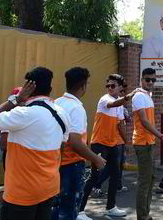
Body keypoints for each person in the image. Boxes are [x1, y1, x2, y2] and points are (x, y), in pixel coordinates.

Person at [0, 67, 70, 220]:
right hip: (49, 188)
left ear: (28, 88)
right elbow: (60, 151)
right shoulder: (62, 114)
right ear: (50, 88)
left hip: (21, 194)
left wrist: (16, 99)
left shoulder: (22, 114)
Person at [79, 74, 138, 218]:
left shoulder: (119, 104)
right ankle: (79, 210)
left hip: (113, 144)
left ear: (120, 87)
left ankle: (110, 207)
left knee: (116, 175)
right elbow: (113, 104)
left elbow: (120, 126)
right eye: (108, 86)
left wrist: (126, 142)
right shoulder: (105, 99)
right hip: (99, 143)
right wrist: (129, 96)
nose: (110, 88)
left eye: (113, 86)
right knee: (94, 177)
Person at [52, 67, 106, 220]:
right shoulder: (76, 108)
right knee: (68, 211)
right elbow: (75, 142)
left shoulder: (57, 102)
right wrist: (96, 159)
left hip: (56, 164)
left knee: (56, 209)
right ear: (83, 85)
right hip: (71, 166)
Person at [132, 68, 163, 220]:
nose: (150, 82)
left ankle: (145, 214)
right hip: (142, 143)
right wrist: (162, 137)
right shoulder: (139, 97)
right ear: (141, 80)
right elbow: (144, 121)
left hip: (149, 142)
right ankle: (142, 216)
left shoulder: (147, 97)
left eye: (153, 80)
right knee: (144, 181)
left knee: (150, 179)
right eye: (148, 79)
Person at [93, 84, 130, 197]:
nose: (122, 94)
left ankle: (116, 187)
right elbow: (119, 126)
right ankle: (96, 186)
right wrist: (126, 140)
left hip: (117, 141)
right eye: (122, 92)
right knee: (107, 167)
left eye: (124, 92)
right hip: (113, 141)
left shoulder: (122, 108)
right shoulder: (108, 101)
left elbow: (124, 122)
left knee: (117, 167)